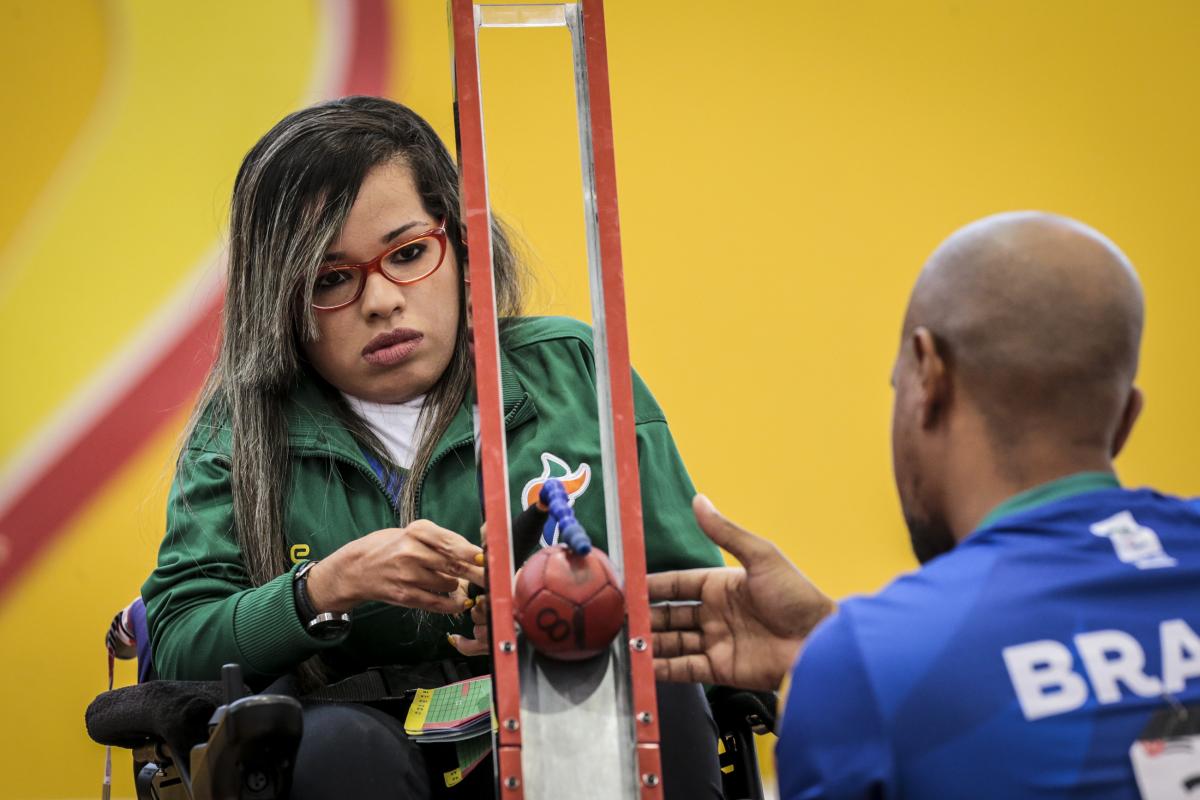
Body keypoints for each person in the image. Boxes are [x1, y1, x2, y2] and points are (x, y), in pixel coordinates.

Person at [140, 96, 723, 799]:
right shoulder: (233, 432)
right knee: (338, 750)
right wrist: (324, 589)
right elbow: (177, 647)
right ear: (279, 302)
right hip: (355, 737)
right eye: (331, 280)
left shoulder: (575, 371)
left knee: (641, 692)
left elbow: (690, 613)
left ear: (464, 250)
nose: (382, 300)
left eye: (409, 253)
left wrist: (556, 613)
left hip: (558, 723)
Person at [649, 212, 1200, 798]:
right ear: (1127, 416)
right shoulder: (869, 664)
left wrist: (842, 667)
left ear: (929, 375)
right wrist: (823, 644)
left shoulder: (870, 672)